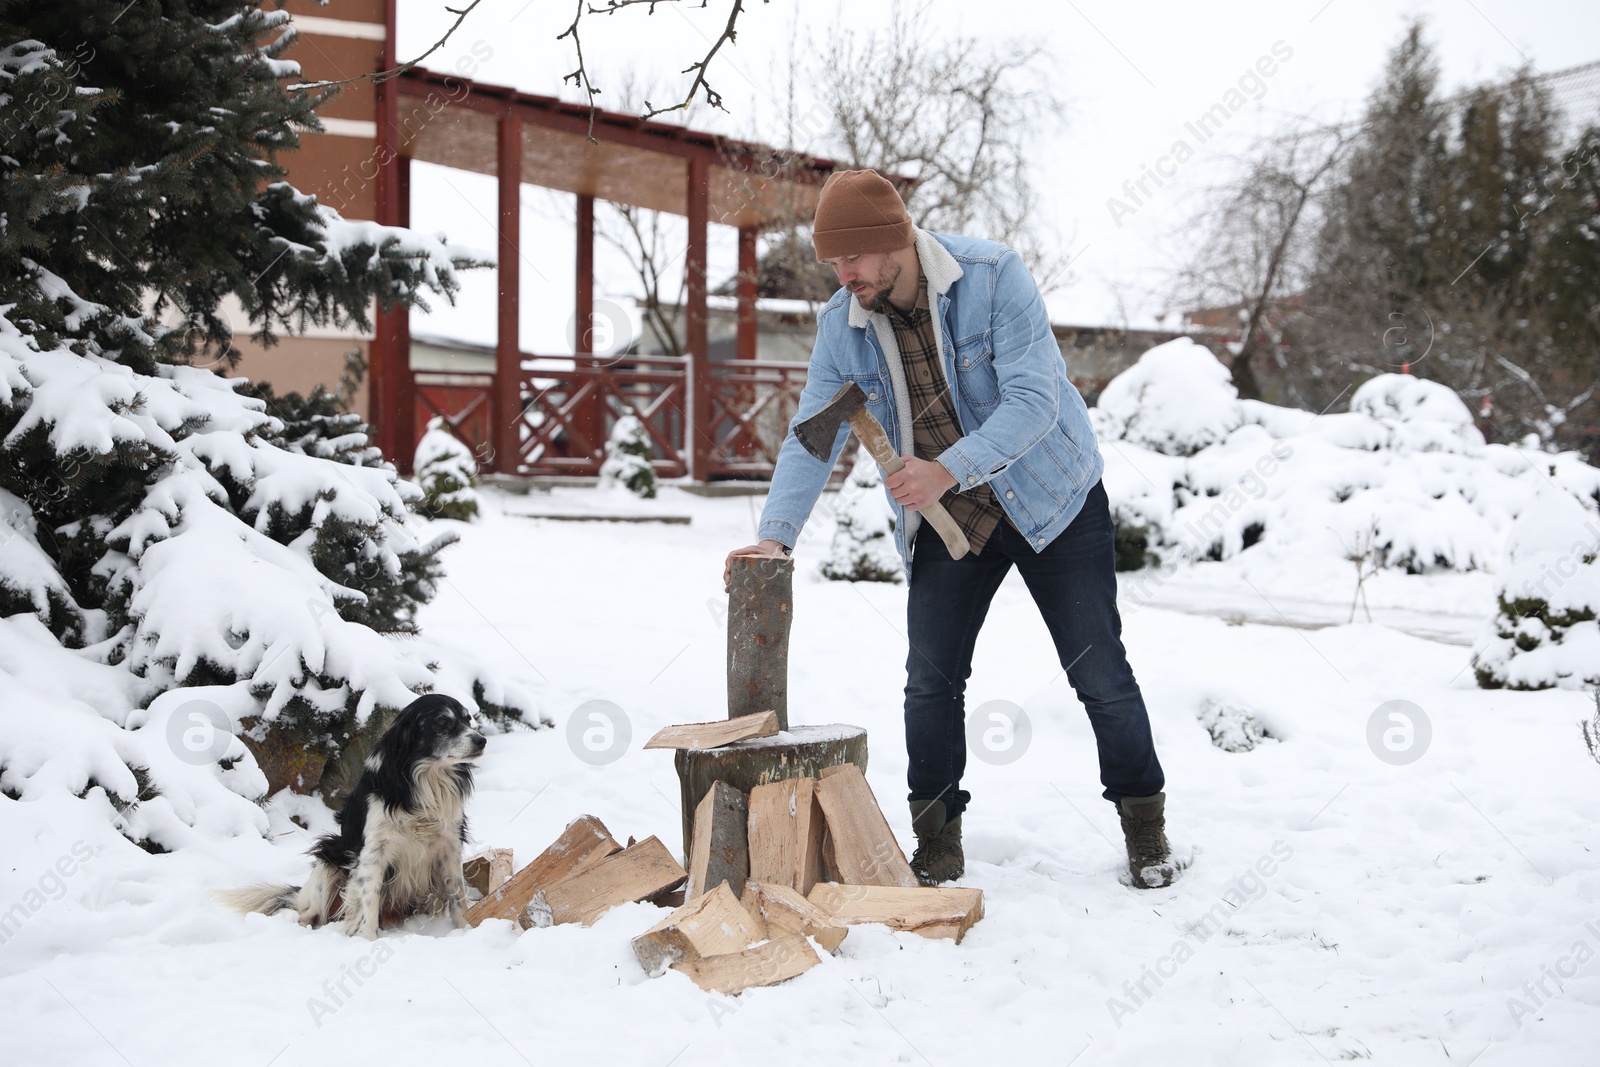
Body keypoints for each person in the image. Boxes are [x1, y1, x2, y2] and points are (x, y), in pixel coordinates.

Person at [723, 170, 1175, 889]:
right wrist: (777, 535)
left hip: (1050, 498)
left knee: (1098, 671)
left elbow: (1035, 401)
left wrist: (947, 467)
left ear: (894, 240)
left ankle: (1145, 827)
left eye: (853, 260)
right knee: (930, 682)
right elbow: (812, 435)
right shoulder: (844, 325)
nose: (844, 278)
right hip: (948, 519)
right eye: (833, 265)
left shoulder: (994, 278)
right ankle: (937, 842)